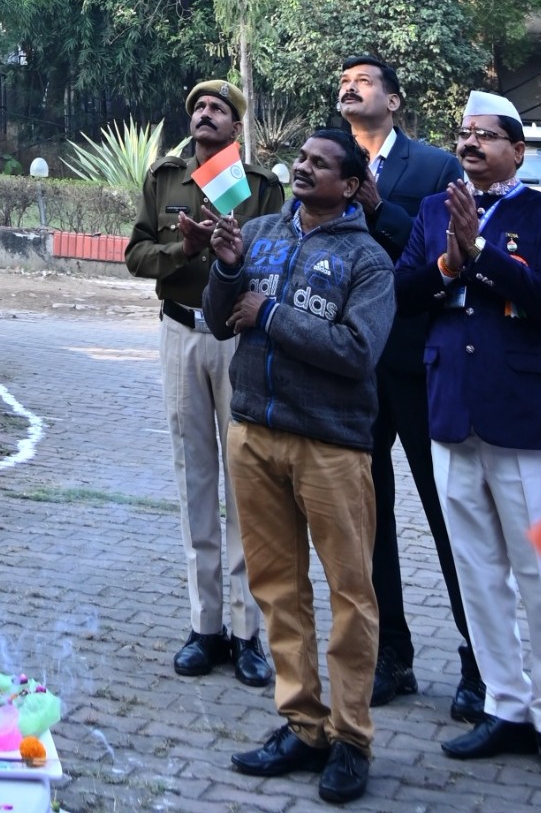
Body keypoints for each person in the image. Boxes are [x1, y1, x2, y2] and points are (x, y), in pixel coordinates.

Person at [204, 129, 395, 807]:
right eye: (301, 159)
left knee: (349, 597)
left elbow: (356, 350)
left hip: (332, 447)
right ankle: (302, 724)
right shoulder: (258, 231)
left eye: (319, 162)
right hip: (252, 433)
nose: (302, 167)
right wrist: (227, 267)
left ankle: (350, 738)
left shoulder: (367, 259)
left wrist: (273, 312)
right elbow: (219, 319)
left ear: (349, 185)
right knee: (277, 588)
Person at [393, 92, 541, 778]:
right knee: (476, 573)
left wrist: (479, 253)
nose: (468, 145)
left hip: (526, 417)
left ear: (516, 149)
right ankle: (504, 705)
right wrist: (444, 262)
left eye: (484, 135)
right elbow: (405, 290)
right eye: (462, 134)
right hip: (450, 411)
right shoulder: (433, 211)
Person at [334, 53, 479, 718]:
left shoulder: (434, 169)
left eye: (362, 81)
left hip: (419, 363)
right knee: (367, 522)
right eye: (343, 81)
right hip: (354, 370)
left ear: (391, 101)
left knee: (448, 515)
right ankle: (392, 654)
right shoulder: (326, 160)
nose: (348, 87)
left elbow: (440, 260)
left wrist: (376, 208)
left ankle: (479, 661)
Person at [124, 80, 281, 685]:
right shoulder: (165, 178)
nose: (203, 115)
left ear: (236, 126)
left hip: (239, 337)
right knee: (194, 479)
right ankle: (204, 627)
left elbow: (274, 258)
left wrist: (232, 257)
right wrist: (183, 250)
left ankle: (247, 634)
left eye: (217, 109)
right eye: (196, 107)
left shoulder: (261, 187)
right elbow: (137, 255)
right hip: (180, 334)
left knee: (245, 484)